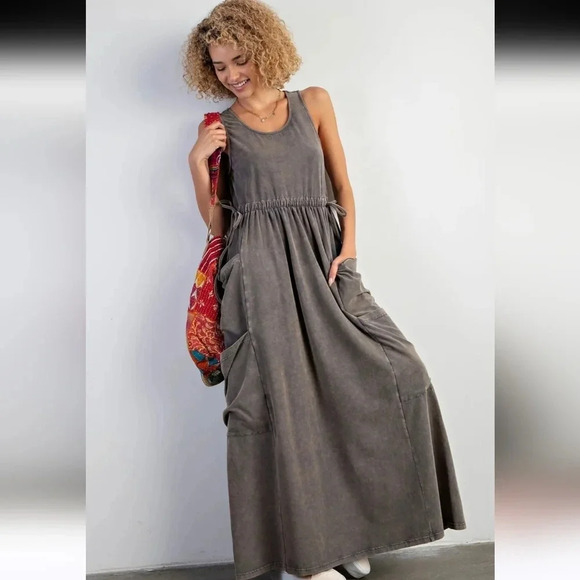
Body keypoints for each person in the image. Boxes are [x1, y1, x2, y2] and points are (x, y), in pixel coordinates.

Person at [181, 1, 467, 579]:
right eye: (219, 66)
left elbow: (342, 185)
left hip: (324, 262)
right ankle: (309, 557)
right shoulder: (218, 129)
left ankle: (348, 534)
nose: (232, 75)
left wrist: (348, 252)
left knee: (399, 371)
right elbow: (218, 227)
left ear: (265, 50)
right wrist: (196, 162)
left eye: (240, 60)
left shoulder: (313, 101)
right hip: (257, 276)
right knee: (283, 410)